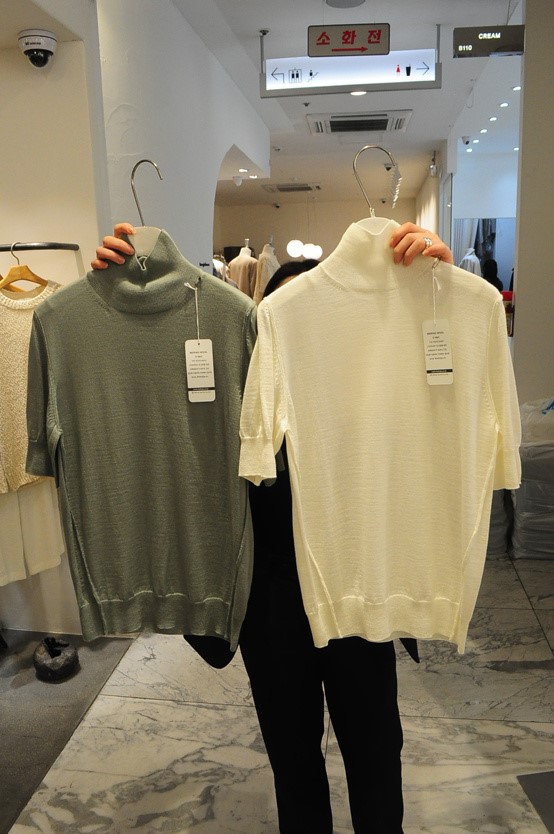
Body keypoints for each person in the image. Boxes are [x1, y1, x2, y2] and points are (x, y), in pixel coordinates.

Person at [91, 221, 454, 834]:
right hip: (271, 600)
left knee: (375, 754)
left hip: (357, 588)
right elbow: (158, 409)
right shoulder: (233, 385)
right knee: (293, 761)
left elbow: (438, 390)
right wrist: (118, 292)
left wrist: (436, 286)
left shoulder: (368, 391)